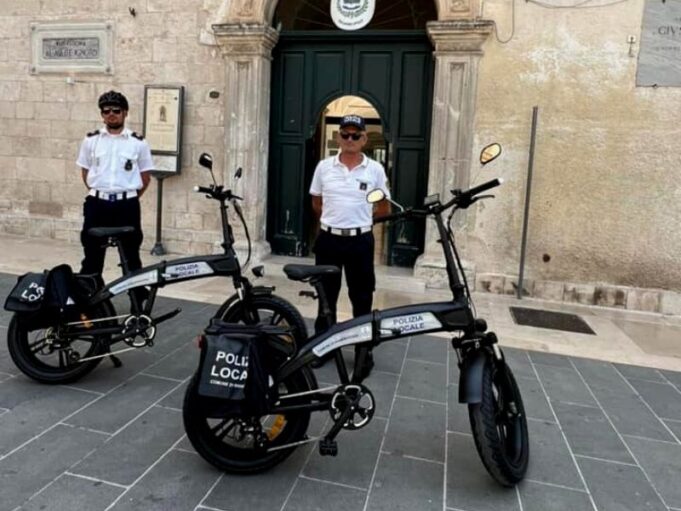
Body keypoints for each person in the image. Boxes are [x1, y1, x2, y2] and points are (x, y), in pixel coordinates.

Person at [309, 114, 391, 375]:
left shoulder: (375, 170)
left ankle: (363, 353)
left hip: (360, 242)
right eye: (345, 134)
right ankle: (324, 347)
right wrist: (335, 220)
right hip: (329, 240)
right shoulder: (324, 167)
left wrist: (360, 222)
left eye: (356, 135)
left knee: (362, 298)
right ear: (338, 137)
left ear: (364, 139)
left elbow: (384, 207)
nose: (350, 139)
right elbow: (317, 202)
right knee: (326, 297)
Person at [76, 90, 154, 279]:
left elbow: (145, 176)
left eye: (116, 110)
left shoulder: (138, 143)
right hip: (97, 204)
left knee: (131, 256)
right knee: (92, 256)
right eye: (106, 111)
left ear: (125, 113)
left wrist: (127, 195)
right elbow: (85, 171)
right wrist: (100, 191)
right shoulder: (91, 140)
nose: (111, 114)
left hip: (126, 206)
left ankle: (136, 294)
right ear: (102, 115)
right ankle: (91, 293)